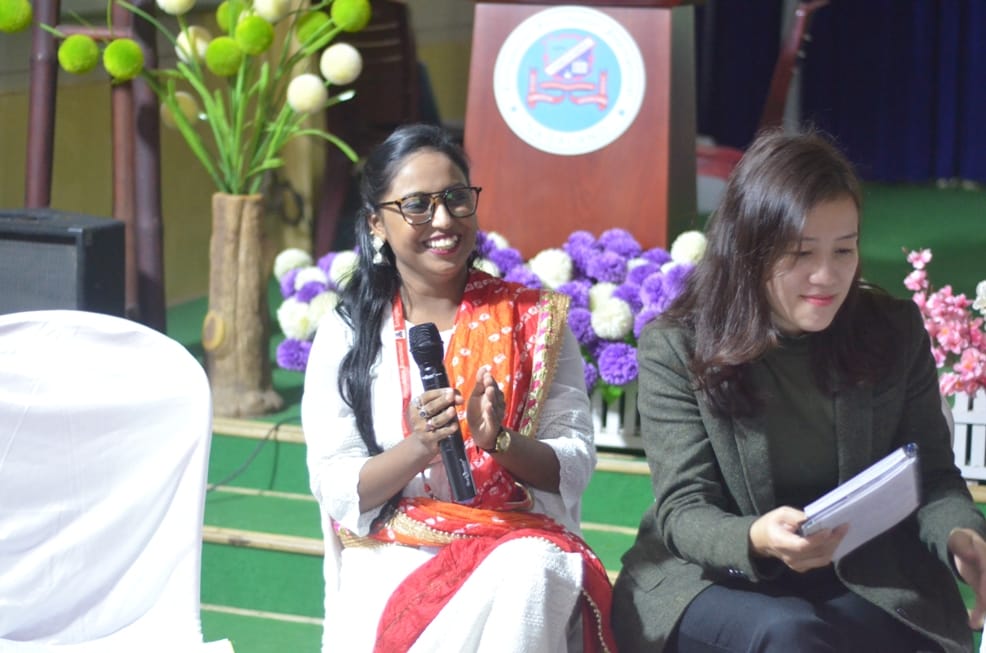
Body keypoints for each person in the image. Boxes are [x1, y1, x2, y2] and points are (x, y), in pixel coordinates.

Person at [612, 129, 986, 653]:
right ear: (749, 249)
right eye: (801, 253)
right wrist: (757, 538)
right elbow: (685, 510)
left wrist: (961, 536)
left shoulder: (891, 330)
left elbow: (933, 477)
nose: (826, 275)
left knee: (906, 635)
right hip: (712, 575)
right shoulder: (679, 346)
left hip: (860, 572)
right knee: (789, 633)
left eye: (844, 250)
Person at [301, 123, 616, 652]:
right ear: (377, 223)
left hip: (510, 545)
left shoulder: (532, 321)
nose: (443, 220)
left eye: (455, 198)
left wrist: (500, 442)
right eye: (417, 205)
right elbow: (336, 485)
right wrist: (418, 446)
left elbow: (574, 462)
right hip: (394, 554)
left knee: (537, 566)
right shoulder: (348, 334)